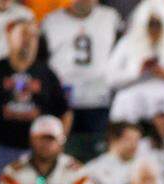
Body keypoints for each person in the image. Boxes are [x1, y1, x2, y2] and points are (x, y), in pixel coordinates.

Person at [0, 18, 70, 184]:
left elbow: (65, 111)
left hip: (38, 154)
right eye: (23, 34)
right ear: (9, 37)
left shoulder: (47, 74)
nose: (28, 40)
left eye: (33, 36)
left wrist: (59, 141)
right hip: (1, 149)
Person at [0, 115, 98, 184]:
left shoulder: (76, 171)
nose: (45, 144)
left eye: (51, 139)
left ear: (61, 142)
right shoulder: (14, 171)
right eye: (41, 138)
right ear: (31, 139)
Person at [40, 0, 122, 135]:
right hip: (63, 99)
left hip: (100, 98)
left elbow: (121, 53)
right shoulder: (51, 21)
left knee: (97, 147)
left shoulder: (111, 17)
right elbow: (41, 60)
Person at [84, 120, 145, 184]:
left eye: (137, 140)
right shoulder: (94, 168)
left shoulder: (144, 166)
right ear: (113, 140)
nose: (134, 145)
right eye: (129, 139)